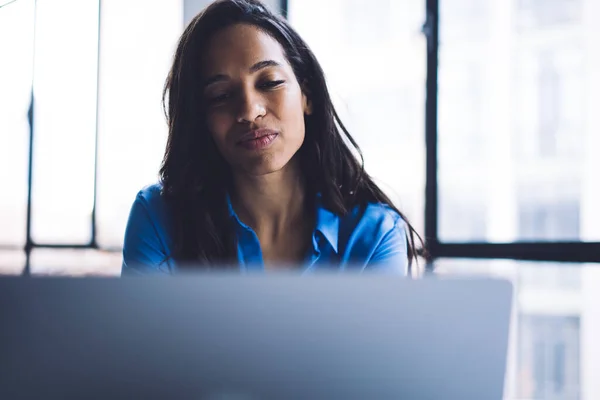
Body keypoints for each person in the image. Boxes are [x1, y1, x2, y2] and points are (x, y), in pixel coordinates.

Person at [121, 0, 424, 275]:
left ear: (307, 95)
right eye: (221, 95)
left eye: (270, 82)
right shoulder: (158, 219)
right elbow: (141, 336)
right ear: (201, 118)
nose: (250, 111)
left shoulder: (375, 234)